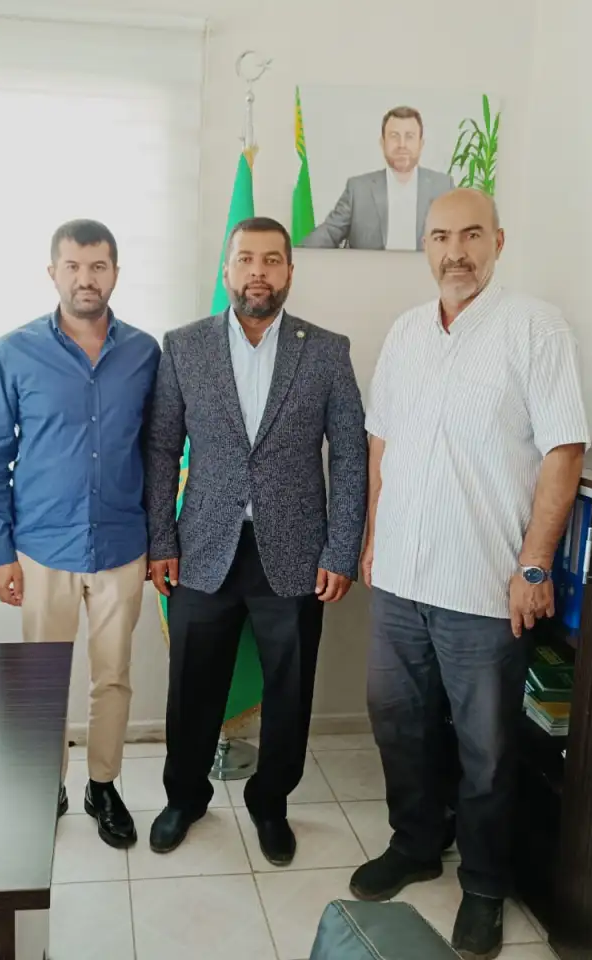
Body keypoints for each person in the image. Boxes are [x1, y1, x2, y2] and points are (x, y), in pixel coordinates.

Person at [352, 188, 588, 960]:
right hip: (400, 576)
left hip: (484, 584)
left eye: (471, 235)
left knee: (487, 748)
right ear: (426, 246)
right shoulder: (406, 332)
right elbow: (382, 444)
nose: (455, 252)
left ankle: (484, 885)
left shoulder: (535, 328)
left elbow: (564, 450)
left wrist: (535, 564)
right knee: (397, 721)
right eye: (440, 237)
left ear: (498, 241)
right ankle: (416, 843)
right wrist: (374, 538)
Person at [144, 217, 368, 865]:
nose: (258, 273)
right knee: (192, 687)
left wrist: (341, 548)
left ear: (290, 271)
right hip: (201, 549)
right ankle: (185, 797)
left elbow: (350, 454)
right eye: (246, 259)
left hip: (295, 555)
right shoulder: (184, 346)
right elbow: (161, 448)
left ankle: (271, 803)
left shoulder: (326, 351)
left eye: (272, 260)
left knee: (290, 692)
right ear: (227, 270)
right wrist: (160, 537)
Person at [0, 218, 159, 850]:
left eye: (98, 266)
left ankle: (102, 786)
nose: (86, 278)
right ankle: (44, 784)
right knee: (42, 680)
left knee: (113, 676)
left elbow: (160, 452)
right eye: (74, 266)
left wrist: (160, 541)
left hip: (121, 546)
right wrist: (1, 552)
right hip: (42, 548)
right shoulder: (13, 351)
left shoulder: (144, 353)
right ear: (53, 272)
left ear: (115, 273)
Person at [301, 106, 455, 252]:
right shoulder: (358, 189)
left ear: (421, 144)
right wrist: (297, 255)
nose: (402, 145)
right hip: (368, 271)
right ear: (382, 143)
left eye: (409, 137)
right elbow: (329, 232)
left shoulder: (443, 187)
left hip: (424, 271)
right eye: (394, 136)